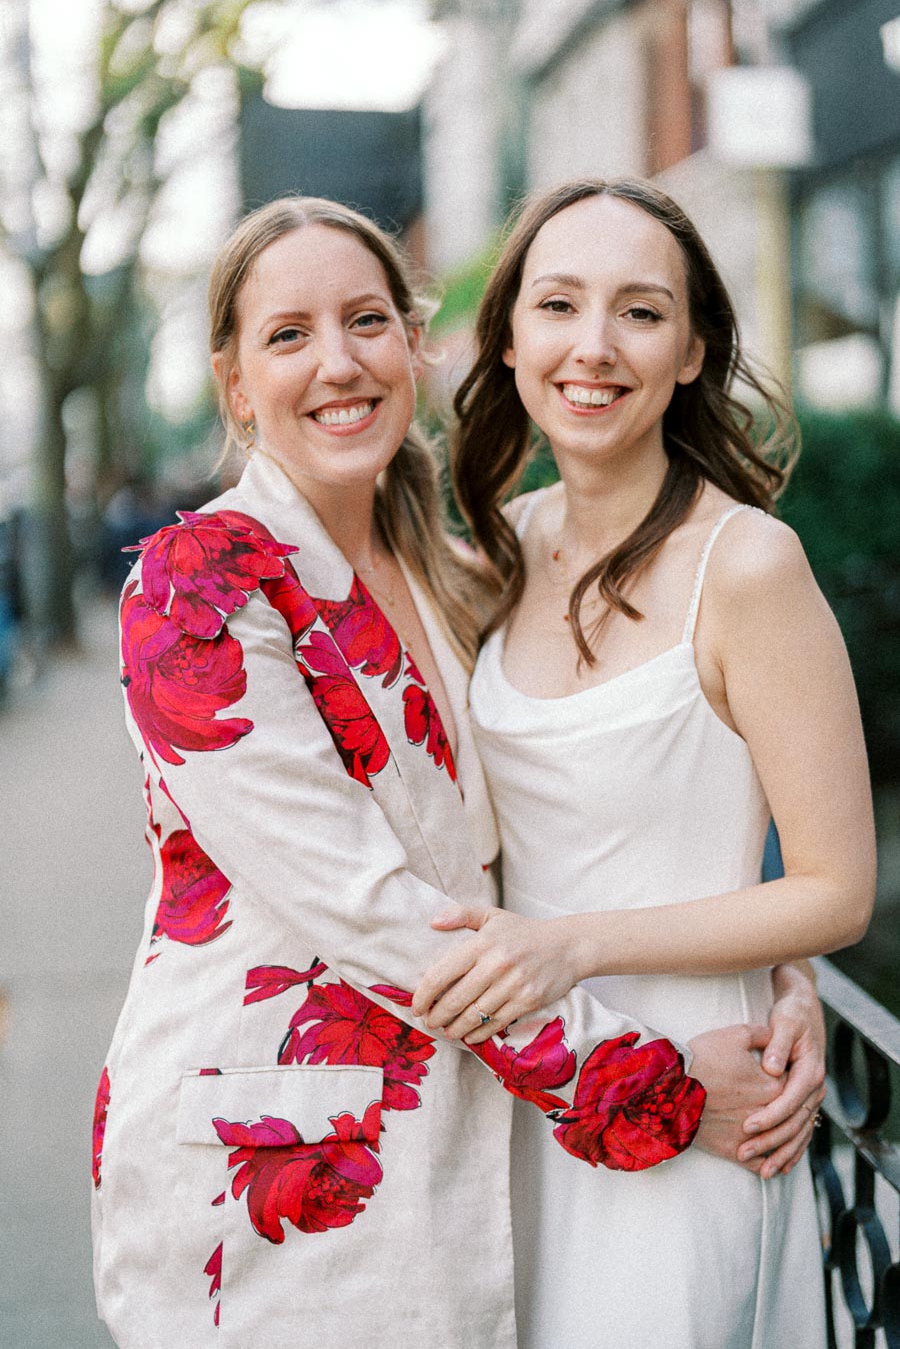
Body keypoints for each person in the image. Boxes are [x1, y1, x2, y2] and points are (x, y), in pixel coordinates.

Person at [94, 194, 736, 1349]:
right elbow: (372, 912)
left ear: (413, 342)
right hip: (273, 1170)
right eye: (289, 336)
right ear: (236, 383)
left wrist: (765, 965)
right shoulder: (197, 591)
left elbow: (595, 805)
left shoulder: (458, 567)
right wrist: (663, 1094)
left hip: (460, 1137)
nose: (338, 363)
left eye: (367, 320)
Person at [413, 178, 876, 1348]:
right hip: (537, 1089)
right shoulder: (501, 549)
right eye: (559, 305)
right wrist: (786, 975)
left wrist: (587, 948)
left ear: (692, 351)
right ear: (510, 340)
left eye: (641, 312)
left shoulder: (750, 566)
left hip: (704, 1100)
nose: (594, 347)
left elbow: (837, 887)